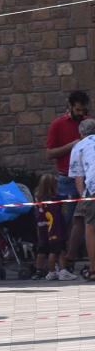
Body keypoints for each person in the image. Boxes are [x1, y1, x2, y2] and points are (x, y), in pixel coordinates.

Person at [48, 91, 90, 267]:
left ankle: (76, 257)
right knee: (65, 221)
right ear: (70, 106)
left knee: (84, 219)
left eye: (83, 110)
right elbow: (50, 153)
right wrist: (72, 146)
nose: (81, 114)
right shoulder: (58, 124)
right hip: (66, 178)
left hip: (87, 178)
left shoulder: (89, 124)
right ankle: (61, 260)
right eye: (78, 110)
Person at [32, 174, 76, 281]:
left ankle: (42, 270)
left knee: (43, 249)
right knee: (57, 250)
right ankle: (54, 272)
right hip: (55, 228)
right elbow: (68, 197)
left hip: (42, 227)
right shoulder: (55, 198)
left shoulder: (38, 198)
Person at [69, 118, 95, 281]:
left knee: (91, 227)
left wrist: (83, 197)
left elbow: (78, 177)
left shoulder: (79, 146)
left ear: (81, 133)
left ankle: (93, 268)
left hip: (93, 187)